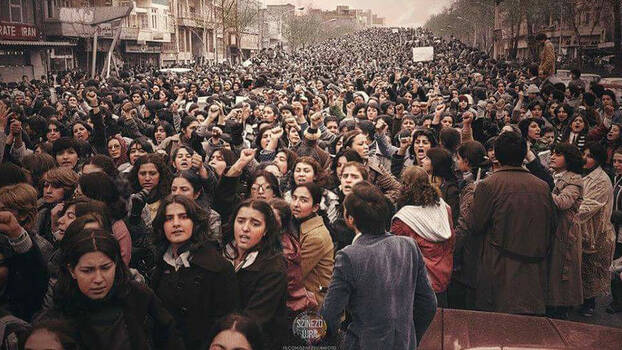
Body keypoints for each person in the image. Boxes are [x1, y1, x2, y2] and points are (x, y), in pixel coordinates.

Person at [321, 181, 437, 349]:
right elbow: (428, 304)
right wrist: (409, 338)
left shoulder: (349, 256)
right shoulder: (408, 246)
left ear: (350, 219)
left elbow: (329, 317)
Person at [39, 228, 185, 349]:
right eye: (87, 270)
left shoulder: (138, 295)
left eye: (105, 268)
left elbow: (170, 336)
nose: (98, 279)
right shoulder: (59, 311)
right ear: (72, 271)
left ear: (115, 264)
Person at [466, 131, 555, 315]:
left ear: (496, 155)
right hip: (534, 270)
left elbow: (475, 224)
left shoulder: (489, 184)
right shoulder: (542, 186)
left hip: (499, 268)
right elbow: (551, 227)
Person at [150, 195, 239, 349]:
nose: (176, 224)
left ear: (195, 223)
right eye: (169, 218)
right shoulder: (160, 267)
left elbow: (225, 324)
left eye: (183, 217)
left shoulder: (218, 268)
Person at [223, 200, 287, 348]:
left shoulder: (274, 267)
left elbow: (255, 318)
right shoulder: (222, 254)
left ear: (266, 230)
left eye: (255, 224)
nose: (245, 228)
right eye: (240, 221)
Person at [392, 166, 455, 307]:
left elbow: (399, 258)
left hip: (417, 287)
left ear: (405, 187)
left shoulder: (402, 219)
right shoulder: (445, 208)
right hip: (443, 279)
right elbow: (451, 243)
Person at [577, 142, 616, 317]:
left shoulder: (600, 180)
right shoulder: (583, 173)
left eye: (590, 156)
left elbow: (586, 207)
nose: (585, 158)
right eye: (584, 154)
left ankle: (589, 304)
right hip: (583, 232)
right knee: (582, 269)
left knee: (591, 271)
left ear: (598, 159)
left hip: (596, 234)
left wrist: (565, 206)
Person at [546, 143, 584, 319]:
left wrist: (541, 191)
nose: (552, 157)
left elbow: (563, 203)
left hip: (566, 231)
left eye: (558, 154)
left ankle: (561, 310)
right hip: (555, 229)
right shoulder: (555, 175)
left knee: (562, 271)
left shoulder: (574, 179)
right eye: (552, 153)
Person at [290, 183, 334, 306]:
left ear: (315, 207)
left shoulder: (316, 237)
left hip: (314, 305)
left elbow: (296, 274)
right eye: (294, 198)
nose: (296, 204)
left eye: (303, 200)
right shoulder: (297, 224)